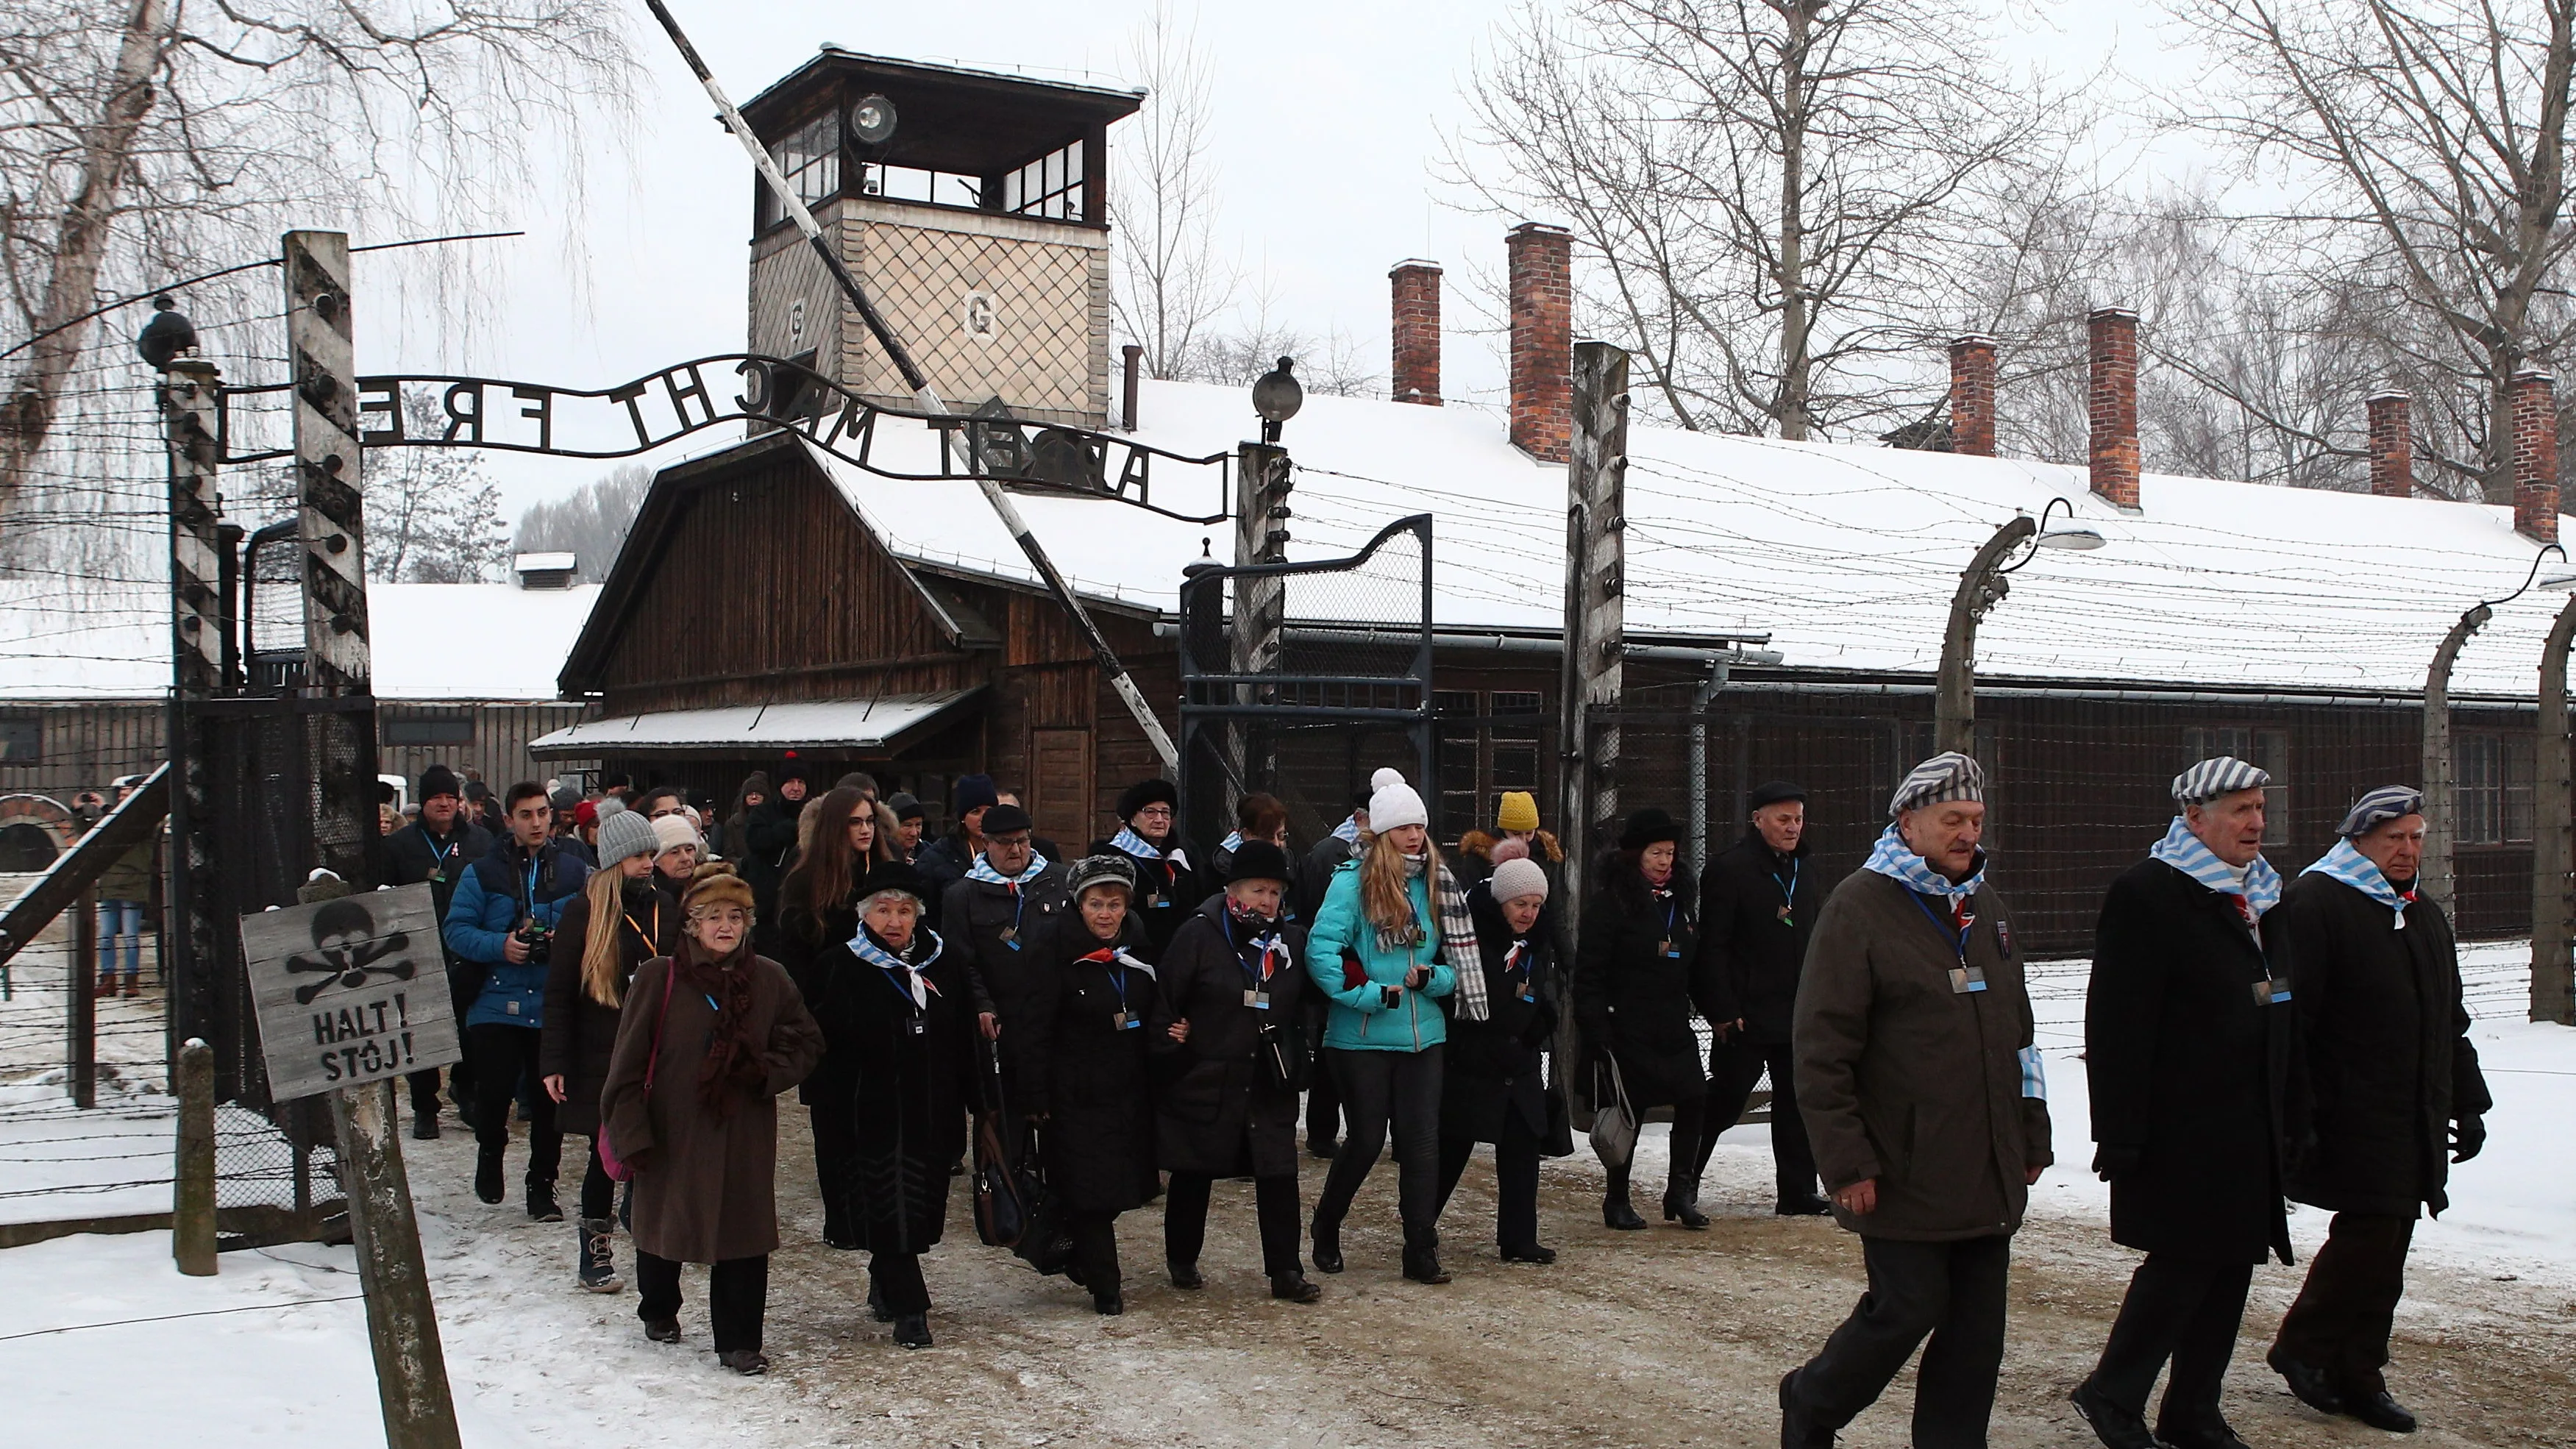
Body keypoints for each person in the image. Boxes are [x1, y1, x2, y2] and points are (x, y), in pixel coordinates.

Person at [1782, 752, 2052, 1449]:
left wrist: (2031, 1129)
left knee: (1976, 1330)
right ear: (1909, 822)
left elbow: (2020, 1035)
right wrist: (1844, 1162)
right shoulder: (1859, 906)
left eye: (1976, 819)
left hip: (1987, 1160)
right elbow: (1821, 1048)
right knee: (1906, 1308)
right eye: (1953, 819)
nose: (1968, 833)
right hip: (1901, 1163)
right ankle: (1812, 1400)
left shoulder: (1985, 906)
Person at [2071, 758, 2302, 1449]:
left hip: (2249, 1120)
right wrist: (2120, 1131)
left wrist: (2295, 1107)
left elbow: (2284, 1007)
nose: (2256, 822)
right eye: (2240, 810)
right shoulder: (2150, 893)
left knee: (2234, 1264)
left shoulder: (2262, 895)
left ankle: (2193, 1409)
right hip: (2180, 1125)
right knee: (2182, 1265)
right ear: (2195, 820)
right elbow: (2115, 1023)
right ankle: (2111, 1393)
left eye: (2260, 808)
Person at [2264, 786, 2491, 1436]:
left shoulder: (2422, 914)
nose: (2407, 849)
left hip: (2412, 1105)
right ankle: (2306, 1347)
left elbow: (2449, 1020)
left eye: (2416, 837)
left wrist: (2468, 1103)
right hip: (2348, 1105)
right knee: (2371, 1232)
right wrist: (2296, 1111)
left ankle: (2358, 1369)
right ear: (2358, 840)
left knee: (2392, 1237)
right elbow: (2294, 1019)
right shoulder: (2318, 903)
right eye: (2394, 838)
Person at [598, 861, 823, 1375]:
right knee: (662, 1228)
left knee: (743, 1235)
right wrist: (630, 1131)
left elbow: (805, 1040)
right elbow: (627, 1064)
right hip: (670, 1128)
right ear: (692, 923)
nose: (726, 926)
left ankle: (739, 1342)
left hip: (742, 1129)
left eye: (736, 916)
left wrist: (764, 1072)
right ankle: (659, 1309)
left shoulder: (769, 978)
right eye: (713, 916)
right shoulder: (660, 977)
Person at [1303, 767, 1475, 1286]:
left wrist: (1433, 978)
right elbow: (1321, 950)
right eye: (1404, 828)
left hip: (1425, 1033)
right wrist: (1365, 995)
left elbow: (1458, 964)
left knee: (1423, 1143)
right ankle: (1326, 1223)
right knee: (1366, 1140)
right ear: (1380, 833)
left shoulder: (1438, 884)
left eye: (1419, 826)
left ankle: (1421, 1249)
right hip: (1361, 1035)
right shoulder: (1350, 884)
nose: (1415, 836)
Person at [805, 859, 981, 1349]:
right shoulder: (839, 965)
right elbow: (818, 1046)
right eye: (883, 910)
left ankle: (886, 1284)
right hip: (867, 1115)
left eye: (904, 910)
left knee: (918, 1216)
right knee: (887, 1207)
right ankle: (912, 1311)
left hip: (932, 1111)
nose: (894, 921)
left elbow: (964, 1035)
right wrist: (829, 1107)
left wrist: (976, 1099)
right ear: (865, 915)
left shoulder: (942, 963)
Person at [1151, 839, 1323, 1303]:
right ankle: (1182, 1257)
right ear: (1233, 890)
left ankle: (1286, 1270)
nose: (1267, 902)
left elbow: (1309, 997)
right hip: (1207, 1071)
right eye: (1258, 891)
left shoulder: (1291, 939)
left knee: (1278, 1171)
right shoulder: (1200, 934)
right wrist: (1173, 1043)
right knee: (1195, 1169)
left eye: (1274, 892)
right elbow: (1166, 998)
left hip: (1268, 1073)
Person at [1015, 854, 1166, 1314]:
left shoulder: (1138, 948)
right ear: (1079, 905)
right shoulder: (1053, 950)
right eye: (1097, 903)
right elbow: (1033, 1026)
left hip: (1128, 1088)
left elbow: (1154, 1006)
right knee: (1090, 1191)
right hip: (1074, 1090)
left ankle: (1071, 1247)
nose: (1106, 914)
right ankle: (1107, 1284)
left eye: (1116, 904)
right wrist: (1035, 1093)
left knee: (1123, 1188)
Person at [541, 808, 677, 1294]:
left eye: (651, 855)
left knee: (653, 1141)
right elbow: (559, 992)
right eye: (639, 855)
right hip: (602, 1049)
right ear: (616, 859)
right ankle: (594, 1246)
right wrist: (554, 1061)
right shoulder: (585, 911)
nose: (648, 863)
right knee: (605, 1153)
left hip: (659, 1047)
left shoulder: (665, 904)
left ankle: (638, 1210)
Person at [444, 780, 593, 1218]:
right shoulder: (481, 872)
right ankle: (490, 1153)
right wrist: (501, 945)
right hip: (495, 1001)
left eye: (543, 813)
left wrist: (557, 935)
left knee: (551, 1106)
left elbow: (591, 924)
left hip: (550, 1003)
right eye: (526, 815)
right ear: (509, 820)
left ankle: (541, 1186)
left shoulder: (573, 870)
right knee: (493, 1095)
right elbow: (456, 930)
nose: (537, 822)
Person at [1690, 780, 1829, 1216]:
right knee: (1726, 1100)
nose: (1793, 828)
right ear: (1758, 819)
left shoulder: (1805, 869)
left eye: (1799, 819)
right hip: (1745, 1015)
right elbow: (1711, 947)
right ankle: (1684, 1180)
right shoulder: (1729, 869)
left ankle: (1798, 1192)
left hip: (1796, 1011)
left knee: (1797, 1104)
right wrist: (1723, 1009)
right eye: (1784, 819)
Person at [768, 786, 897, 1248]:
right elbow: (795, 958)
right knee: (835, 1127)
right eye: (856, 823)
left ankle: (878, 1214)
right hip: (829, 1026)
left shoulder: (887, 873)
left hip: (887, 1019)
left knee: (881, 1126)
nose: (866, 830)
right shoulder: (806, 882)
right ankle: (841, 1219)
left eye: (870, 822)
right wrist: (816, 1017)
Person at [1575, 806, 1710, 1229]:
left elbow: (1696, 967)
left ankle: (1681, 1192)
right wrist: (1596, 1030)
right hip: (1626, 1027)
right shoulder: (1611, 905)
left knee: (1694, 1099)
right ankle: (1617, 1199)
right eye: (1656, 853)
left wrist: (1721, 1011)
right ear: (1636, 855)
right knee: (1627, 1113)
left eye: (1670, 853)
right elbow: (1589, 973)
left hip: (1672, 1024)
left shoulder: (1681, 903)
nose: (1665, 861)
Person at [1434, 844, 1565, 1266]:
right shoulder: (1471, 937)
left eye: (1536, 905)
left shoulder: (1536, 940)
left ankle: (1519, 1238)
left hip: (1521, 1056)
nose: (1528, 913)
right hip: (1475, 1058)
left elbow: (1540, 985)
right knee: (1452, 1146)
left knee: (1523, 1148)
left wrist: (1543, 1018)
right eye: (1519, 904)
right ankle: (1420, 1224)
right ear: (1500, 902)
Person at [383, 764, 495, 1139]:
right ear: (424, 802)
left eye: (451, 797)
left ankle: (467, 1093)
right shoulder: (400, 845)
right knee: (423, 1033)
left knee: (471, 1030)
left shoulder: (482, 842)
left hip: (469, 951)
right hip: (418, 953)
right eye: (436, 798)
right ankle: (424, 1107)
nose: (445, 804)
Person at [937, 802, 1067, 1048]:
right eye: (1006, 843)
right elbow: (960, 961)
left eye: (1023, 841)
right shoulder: (962, 895)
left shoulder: (1060, 881)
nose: (1016, 850)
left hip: (1056, 1014)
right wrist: (982, 1004)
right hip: (1002, 1017)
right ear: (986, 844)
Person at [1295, 788, 1369, 1157]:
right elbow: (1315, 911)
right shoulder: (1330, 855)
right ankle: (1323, 1131)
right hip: (1339, 965)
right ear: (1361, 817)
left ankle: (1357, 1130)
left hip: (1365, 966)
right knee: (1331, 1049)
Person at [1089, 779, 1202, 958]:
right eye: (1150, 812)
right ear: (1133, 819)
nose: (1159, 820)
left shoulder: (1184, 854)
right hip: (1133, 954)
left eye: (1165, 813)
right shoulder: (1110, 857)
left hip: (1182, 952)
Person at [90, 775, 154, 1001]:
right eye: (120, 795)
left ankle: (131, 980)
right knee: (106, 936)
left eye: (127, 795)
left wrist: (106, 808)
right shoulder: (112, 819)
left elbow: (131, 826)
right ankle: (108, 979)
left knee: (130, 936)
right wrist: (80, 810)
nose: (121, 798)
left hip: (133, 885)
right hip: (109, 884)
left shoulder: (145, 821)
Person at [916, 774, 1000, 919]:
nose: (984, 818)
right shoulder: (937, 857)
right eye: (975, 812)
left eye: (989, 810)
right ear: (962, 818)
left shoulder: (1004, 850)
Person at [1452, 790, 1565, 894]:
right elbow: (1467, 896)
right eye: (1516, 834)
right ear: (1502, 831)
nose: (1523, 839)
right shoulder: (1479, 857)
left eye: (1529, 833)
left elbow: (1554, 907)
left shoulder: (1545, 853)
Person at [741, 761, 811, 921]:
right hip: (768, 897)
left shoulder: (814, 814)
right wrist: (781, 832)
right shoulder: (763, 812)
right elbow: (754, 841)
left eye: (801, 782)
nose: (796, 787)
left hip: (803, 894)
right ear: (781, 785)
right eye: (790, 782)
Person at [1209, 792, 1292, 894]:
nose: (1276, 844)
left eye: (1281, 836)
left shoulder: (1289, 859)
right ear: (1247, 834)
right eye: (1268, 837)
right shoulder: (1224, 865)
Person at [717, 772, 770, 862]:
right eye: (750, 794)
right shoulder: (732, 824)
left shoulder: (775, 820)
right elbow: (728, 856)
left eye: (758, 793)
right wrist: (744, 863)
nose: (754, 797)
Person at [886, 793, 926, 862]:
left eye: (918, 825)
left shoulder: (930, 856)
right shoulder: (879, 856)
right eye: (908, 825)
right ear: (891, 826)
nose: (914, 833)